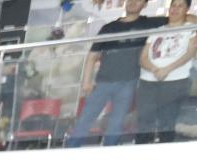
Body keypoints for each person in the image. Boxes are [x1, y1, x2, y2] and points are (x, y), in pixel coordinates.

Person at [68, 0, 163, 148]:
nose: (133, 2)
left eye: (139, 1)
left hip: (128, 82)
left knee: (116, 123)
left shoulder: (149, 23)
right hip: (103, 81)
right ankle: (70, 150)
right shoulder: (109, 27)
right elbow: (93, 56)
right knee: (85, 119)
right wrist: (87, 81)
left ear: (144, 5)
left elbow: (180, 18)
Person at [137, 0, 197, 142]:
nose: (175, 9)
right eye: (173, 5)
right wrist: (154, 69)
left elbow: (190, 53)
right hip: (148, 81)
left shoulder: (191, 29)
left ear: (187, 10)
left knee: (167, 121)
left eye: (180, 6)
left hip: (174, 81)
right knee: (144, 121)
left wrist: (167, 69)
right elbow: (143, 57)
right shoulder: (157, 30)